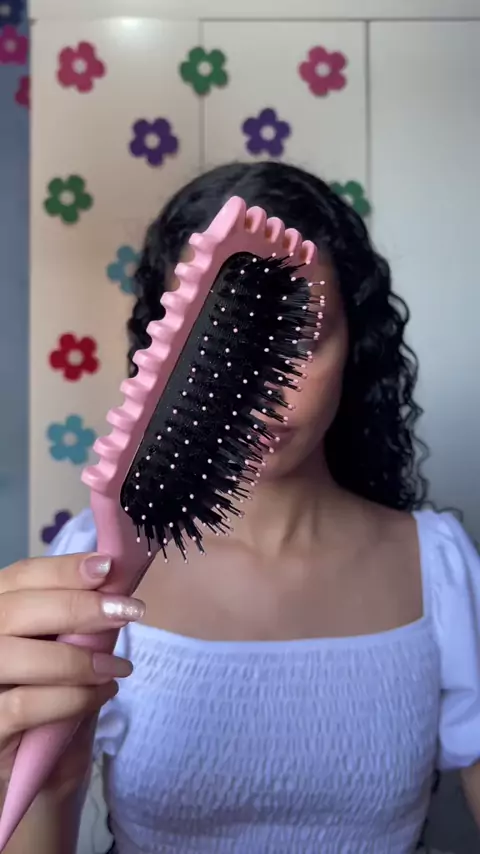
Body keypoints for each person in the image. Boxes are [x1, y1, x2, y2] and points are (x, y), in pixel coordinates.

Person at [1, 161, 480, 854]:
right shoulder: (93, 567)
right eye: (225, 347)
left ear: (355, 345)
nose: (262, 392)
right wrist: (44, 785)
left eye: (298, 338)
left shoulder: (440, 569)